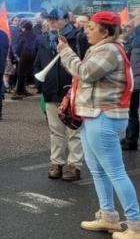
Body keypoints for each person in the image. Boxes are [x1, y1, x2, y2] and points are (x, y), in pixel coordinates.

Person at [57, 12, 139, 238]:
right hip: (94, 116)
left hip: (102, 117)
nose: (86, 30)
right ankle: (108, 216)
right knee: (98, 170)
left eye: (91, 27)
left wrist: (66, 52)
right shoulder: (105, 49)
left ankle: (135, 226)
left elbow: (84, 73)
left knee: (115, 172)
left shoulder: (110, 50)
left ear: (105, 31)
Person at [34, 8, 85, 181]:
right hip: (50, 91)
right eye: (50, 19)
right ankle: (57, 163)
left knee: (73, 131)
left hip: (71, 92)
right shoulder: (43, 40)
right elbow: (38, 63)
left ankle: (74, 166)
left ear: (66, 20)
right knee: (55, 131)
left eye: (55, 19)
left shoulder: (78, 37)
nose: (52, 23)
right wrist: (41, 85)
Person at [122, 11, 140, 151]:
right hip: (134, 82)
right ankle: (130, 136)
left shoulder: (137, 41)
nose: (125, 29)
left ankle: (131, 140)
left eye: (128, 27)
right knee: (131, 112)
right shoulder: (131, 40)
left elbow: (134, 66)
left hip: (136, 83)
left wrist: (131, 83)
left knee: (132, 112)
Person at [11, 20, 37, 99]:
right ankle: (23, 90)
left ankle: (19, 92)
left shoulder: (22, 35)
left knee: (20, 73)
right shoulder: (34, 35)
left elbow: (19, 47)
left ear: (24, 28)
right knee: (25, 73)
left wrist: (17, 55)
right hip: (32, 55)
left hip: (24, 55)